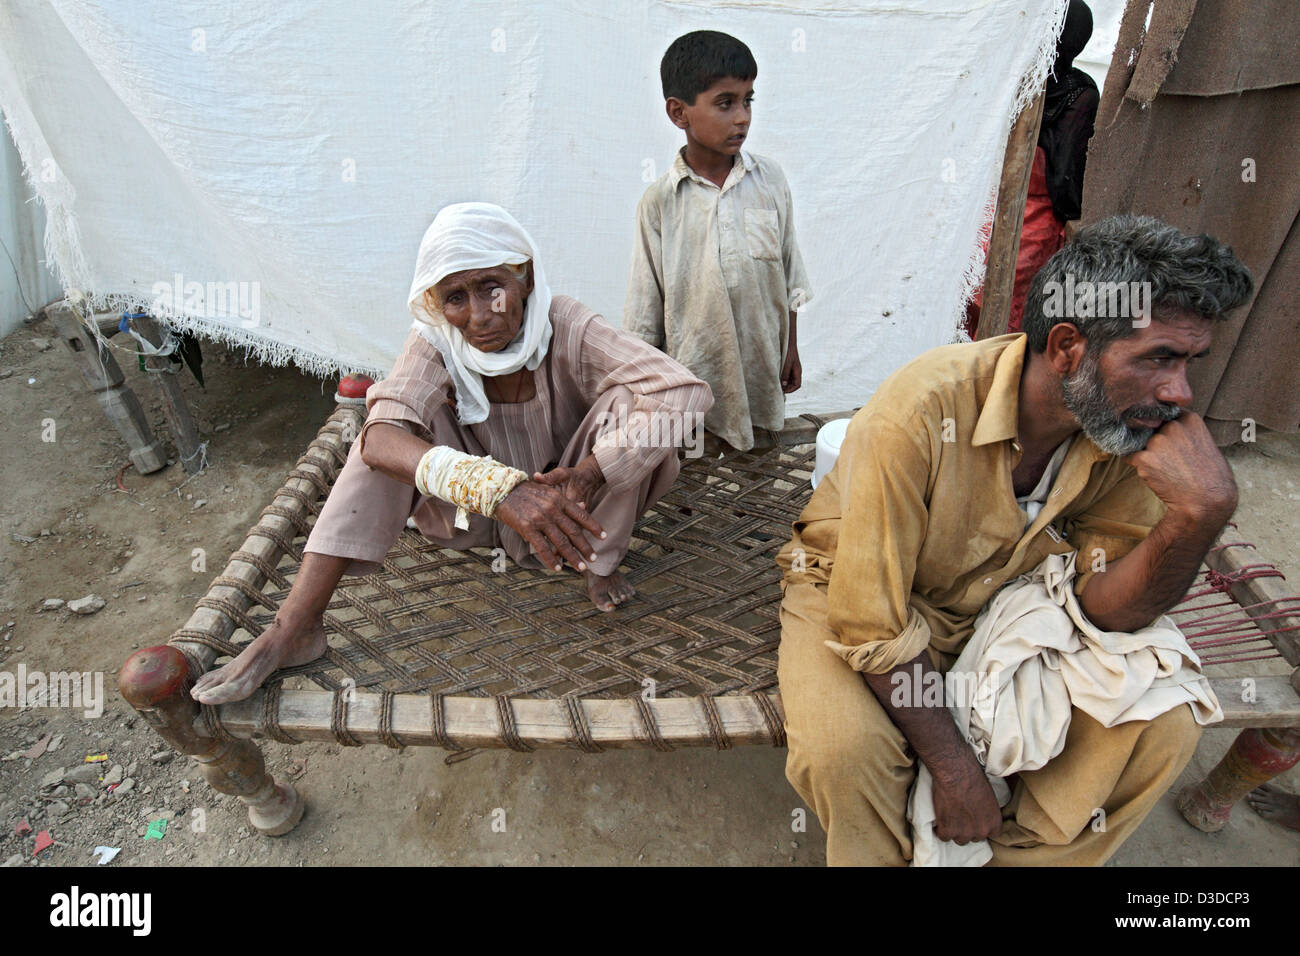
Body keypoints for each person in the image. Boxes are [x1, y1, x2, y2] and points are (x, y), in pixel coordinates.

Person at [776, 214, 1254, 865]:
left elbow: (1106, 612)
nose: (1180, 392)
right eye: (1159, 358)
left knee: (1163, 729)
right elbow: (870, 623)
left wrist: (1197, 516)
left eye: (1191, 361)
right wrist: (955, 769)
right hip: (864, 596)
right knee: (844, 750)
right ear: (1067, 348)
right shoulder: (923, 410)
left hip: (1014, 605)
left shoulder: (1128, 426)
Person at [192, 202, 712, 706]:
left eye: (493, 288)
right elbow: (379, 442)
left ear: (525, 278)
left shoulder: (567, 322)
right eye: (456, 297)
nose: (481, 315)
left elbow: (685, 391)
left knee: (636, 409)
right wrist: (499, 490)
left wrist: (591, 474)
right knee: (385, 432)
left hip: (571, 513)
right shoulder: (435, 340)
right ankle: (297, 626)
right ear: (436, 304)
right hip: (471, 519)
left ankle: (598, 562)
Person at [623, 30, 812, 453]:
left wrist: (791, 347)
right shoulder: (660, 203)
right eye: (725, 103)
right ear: (679, 112)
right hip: (691, 376)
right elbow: (644, 311)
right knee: (687, 478)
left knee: (760, 466)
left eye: (748, 100)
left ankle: (756, 516)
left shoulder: (770, 182)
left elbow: (789, 269)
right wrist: (648, 390)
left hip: (761, 369)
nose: (742, 117)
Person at [964, 0, 1100, 336]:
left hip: (989, 213)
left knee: (974, 305)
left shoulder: (1014, 78)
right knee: (1014, 316)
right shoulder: (1079, 91)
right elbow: (1067, 166)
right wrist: (1072, 214)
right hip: (1033, 221)